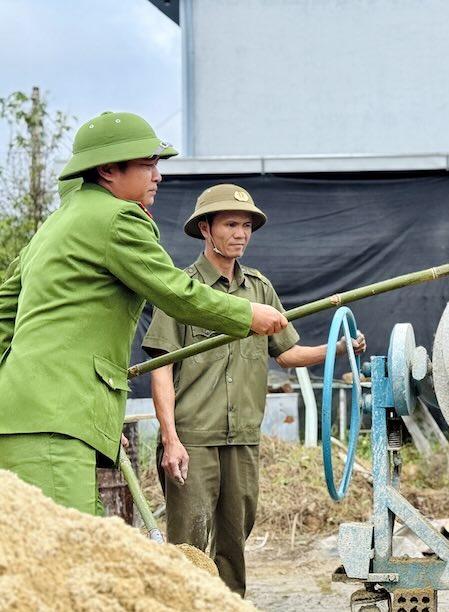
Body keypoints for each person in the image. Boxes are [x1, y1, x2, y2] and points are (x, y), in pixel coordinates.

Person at [0, 113, 288, 516]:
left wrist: (90, 419)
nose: (158, 176)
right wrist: (246, 314)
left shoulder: (55, 224)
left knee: (68, 539)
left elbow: (5, 311)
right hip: (53, 419)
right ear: (107, 170)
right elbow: (176, 293)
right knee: (65, 546)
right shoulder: (118, 217)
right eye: (147, 164)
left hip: (27, 415)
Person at [141, 183, 365, 596]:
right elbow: (160, 369)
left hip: (243, 437)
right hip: (193, 438)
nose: (240, 234)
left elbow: (288, 353)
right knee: (189, 543)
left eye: (246, 226)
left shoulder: (259, 289)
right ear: (205, 229)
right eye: (230, 224)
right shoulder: (183, 289)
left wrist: (336, 348)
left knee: (235, 539)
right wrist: (171, 440)